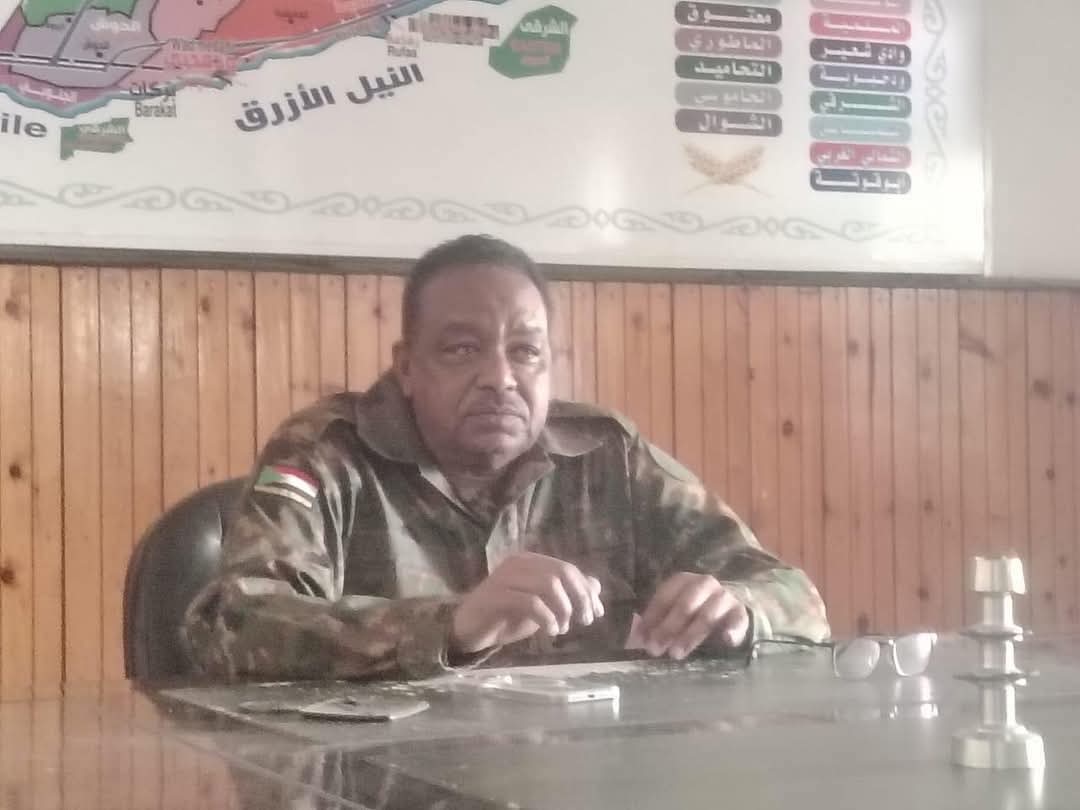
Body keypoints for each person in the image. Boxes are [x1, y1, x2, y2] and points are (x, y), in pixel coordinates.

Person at [182, 234, 829, 681]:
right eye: (462, 350)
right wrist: (450, 627)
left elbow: (799, 600)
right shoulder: (328, 452)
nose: (500, 378)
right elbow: (229, 625)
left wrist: (741, 612)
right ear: (407, 368)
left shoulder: (608, 455)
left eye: (526, 352)